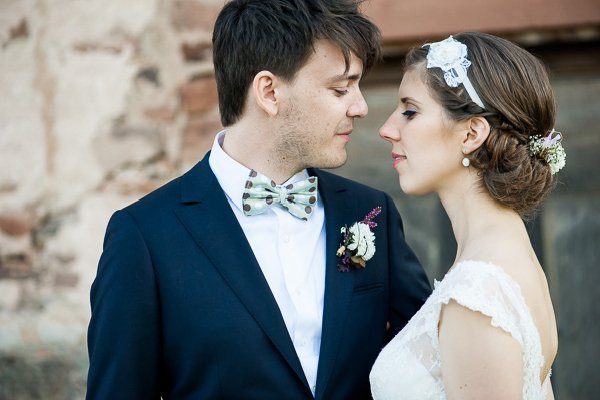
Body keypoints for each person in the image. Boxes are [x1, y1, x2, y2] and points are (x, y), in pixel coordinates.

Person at [86, 1, 431, 399]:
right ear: (269, 92)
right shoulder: (145, 236)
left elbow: (429, 360)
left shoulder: (370, 214)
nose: (361, 107)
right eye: (340, 88)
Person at [370, 32, 564, 399]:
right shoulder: (508, 258)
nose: (387, 129)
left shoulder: (478, 292)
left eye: (410, 112)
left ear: (472, 133)